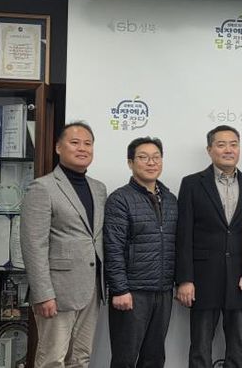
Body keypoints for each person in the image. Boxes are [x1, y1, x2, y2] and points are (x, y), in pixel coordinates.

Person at [20, 121, 107, 368]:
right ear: (59, 147)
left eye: (88, 144)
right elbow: (33, 245)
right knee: (52, 359)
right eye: (75, 142)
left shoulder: (98, 189)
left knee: (81, 358)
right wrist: (43, 294)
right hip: (57, 291)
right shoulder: (42, 187)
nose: (82, 148)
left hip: (92, 287)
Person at [175, 125, 242, 368]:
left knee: (239, 345)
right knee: (200, 346)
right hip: (203, 278)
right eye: (221, 144)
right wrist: (185, 279)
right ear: (209, 149)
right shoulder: (192, 183)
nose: (228, 150)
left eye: (234, 144)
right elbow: (184, 234)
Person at [104, 137, 178, 368]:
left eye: (156, 157)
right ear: (130, 163)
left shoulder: (170, 199)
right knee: (125, 358)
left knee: (154, 358)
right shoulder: (120, 199)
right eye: (143, 157)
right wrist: (120, 289)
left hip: (163, 290)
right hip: (132, 292)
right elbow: (113, 247)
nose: (151, 162)